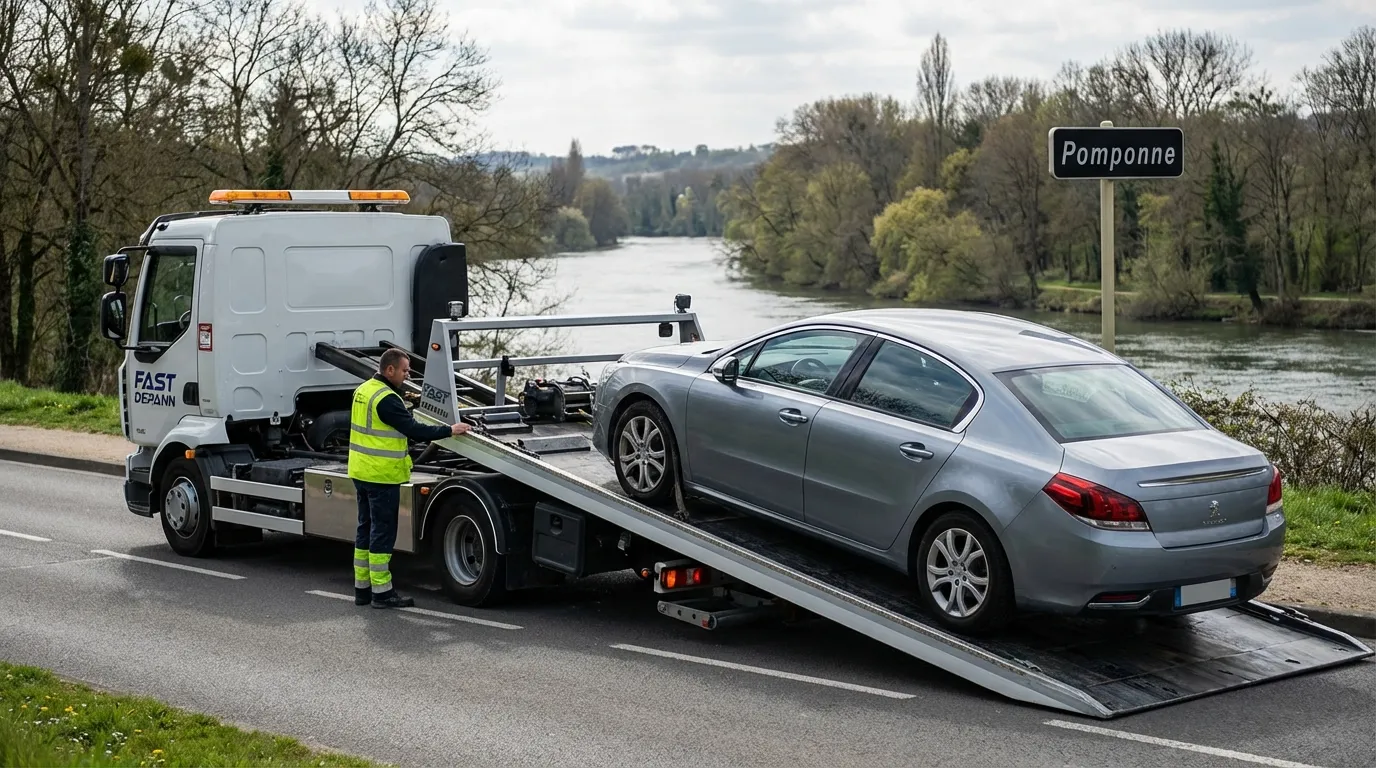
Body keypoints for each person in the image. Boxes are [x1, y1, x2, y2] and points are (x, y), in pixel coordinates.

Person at [348, 348, 469, 608]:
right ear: (389, 370)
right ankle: (382, 593)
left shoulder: (364, 390)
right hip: (382, 475)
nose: (407, 374)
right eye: (404, 370)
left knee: (365, 529)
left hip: (361, 472)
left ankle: (362, 589)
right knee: (382, 532)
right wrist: (450, 429)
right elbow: (414, 429)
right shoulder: (387, 399)